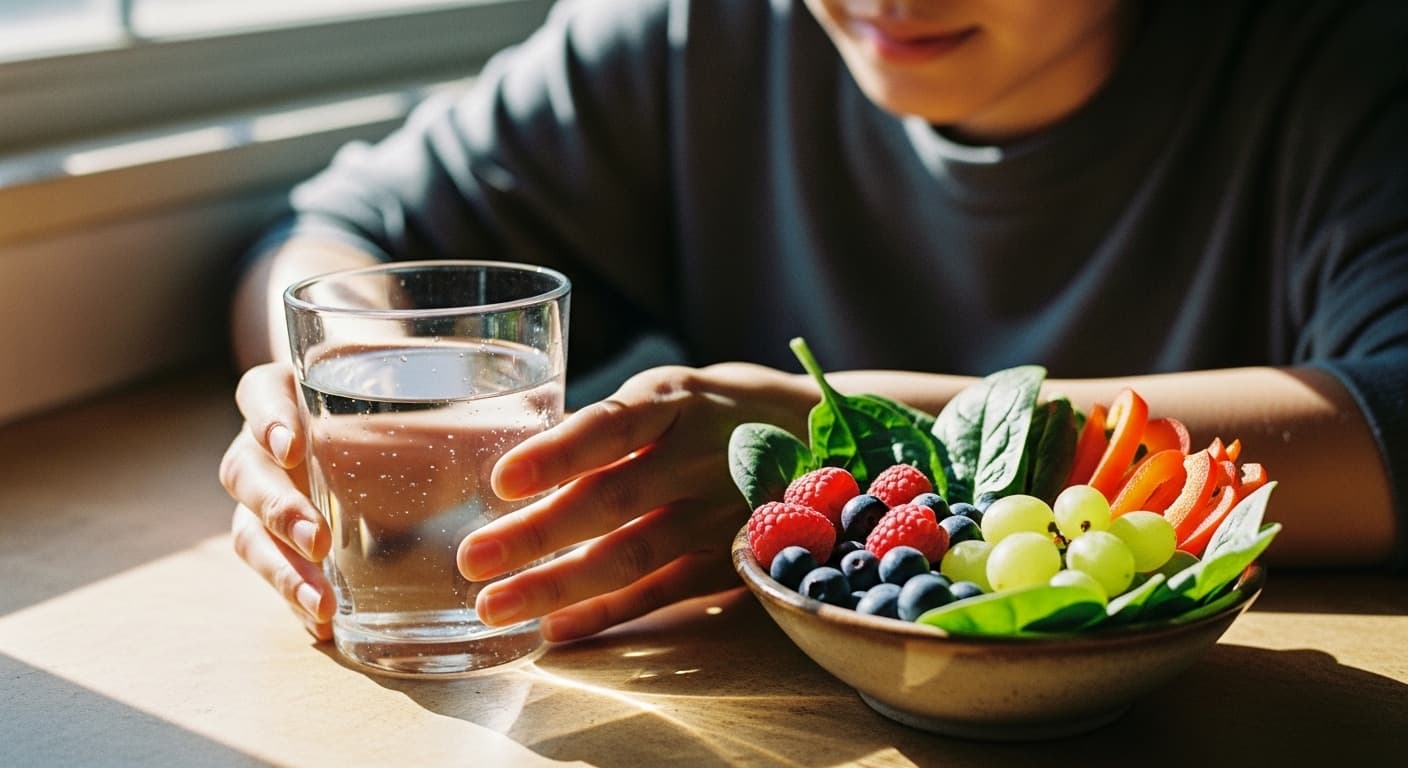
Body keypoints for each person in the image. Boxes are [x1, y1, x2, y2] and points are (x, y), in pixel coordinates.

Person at [220, 0, 1408, 644]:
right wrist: (360, 403)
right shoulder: (698, 35)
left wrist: (848, 457)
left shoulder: (1348, 71)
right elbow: (330, 235)